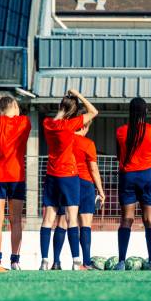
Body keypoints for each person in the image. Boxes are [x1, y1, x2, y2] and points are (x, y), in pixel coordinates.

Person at [40, 89, 98, 271]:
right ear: (73, 113)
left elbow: (58, 117)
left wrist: (63, 108)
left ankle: (44, 260)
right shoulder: (70, 126)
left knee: (48, 219)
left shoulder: (47, 123)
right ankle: (76, 261)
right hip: (69, 176)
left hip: (51, 175)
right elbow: (94, 112)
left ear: (59, 106)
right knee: (71, 219)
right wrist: (79, 95)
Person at [0, 96, 32, 270]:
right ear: (15, 107)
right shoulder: (24, 121)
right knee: (16, 220)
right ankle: (15, 260)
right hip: (17, 176)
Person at [114, 97, 151, 270]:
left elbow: (119, 155)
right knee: (149, 219)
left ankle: (121, 262)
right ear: (146, 111)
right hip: (147, 176)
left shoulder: (121, 131)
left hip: (128, 176)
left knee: (126, 219)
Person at [73, 121, 105, 269]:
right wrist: (101, 191)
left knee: (67, 223)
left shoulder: (65, 140)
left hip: (68, 182)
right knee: (85, 225)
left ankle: (57, 261)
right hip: (85, 184)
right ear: (84, 127)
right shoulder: (88, 143)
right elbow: (93, 169)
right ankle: (86, 262)